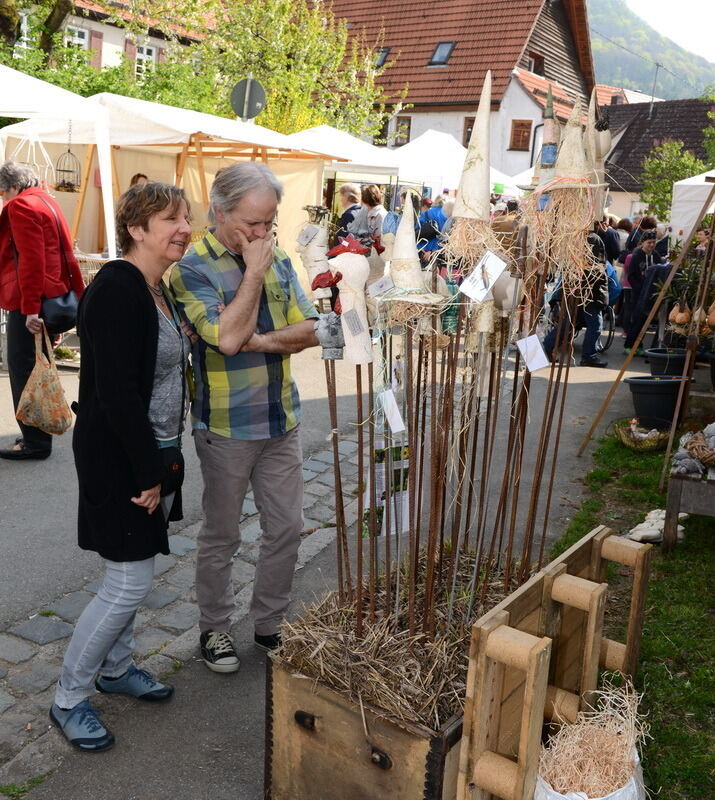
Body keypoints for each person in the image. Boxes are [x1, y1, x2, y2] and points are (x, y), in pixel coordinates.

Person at [49, 182, 193, 752]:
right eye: (171, 219)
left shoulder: (158, 287)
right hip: (120, 454)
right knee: (127, 580)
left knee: (133, 573)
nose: (184, 228)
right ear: (137, 228)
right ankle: (68, 696)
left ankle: (117, 668)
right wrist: (146, 474)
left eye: (186, 218)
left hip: (148, 449)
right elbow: (115, 394)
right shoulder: (116, 289)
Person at [170, 163, 319, 673]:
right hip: (227, 427)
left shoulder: (277, 256)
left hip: (282, 419)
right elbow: (227, 339)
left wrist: (260, 340)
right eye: (252, 223)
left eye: (269, 222)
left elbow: (310, 329)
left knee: (287, 528)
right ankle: (215, 628)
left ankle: (269, 624)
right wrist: (253, 274)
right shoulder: (191, 269)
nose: (261, 234)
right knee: (222, 535)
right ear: (220, 211)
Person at [0, 161, 85, 460]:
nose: (3, 198)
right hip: (56, 293)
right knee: (38, 365)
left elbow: (31, 261)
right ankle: (39, 436)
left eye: (2, 192)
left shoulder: (20, 206)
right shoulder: (47, 200)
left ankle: (34, 441)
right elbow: (65, 253)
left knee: (23, 368)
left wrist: (32, 310)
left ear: (10, 187)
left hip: (31, 300)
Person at [543, 233, 610, 368]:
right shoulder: (590, 239)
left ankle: (548, 345)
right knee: (594, 325)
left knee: (567, 324)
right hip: (588, 292)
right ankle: (588, 356)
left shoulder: (578, 238)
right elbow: (597, 266)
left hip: (577, 291)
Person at [624, 230, 664, 353]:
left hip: (651, 294)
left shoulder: (656, 256)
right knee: (637, 320)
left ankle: (638, 345)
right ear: (643, 242)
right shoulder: (637, 256)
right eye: (649, 242)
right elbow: (631, 276)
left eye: (653, 242)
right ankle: (629, 345)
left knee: (645, 322)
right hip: (638, 294)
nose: (651, 245)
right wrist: (639, 288)